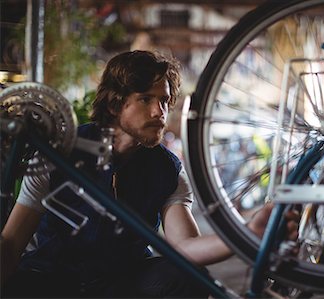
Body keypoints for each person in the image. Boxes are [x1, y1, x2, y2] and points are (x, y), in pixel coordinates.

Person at [1, 50, 299, 298]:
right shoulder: (58, 154)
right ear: (117, 103)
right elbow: (13, 243)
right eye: (146, 98)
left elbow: (186, 247)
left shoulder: (168, 169)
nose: (160, 111)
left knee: (186, 276)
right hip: (53, 278)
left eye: (165, 101)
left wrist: (248, 234)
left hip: (120, 282)